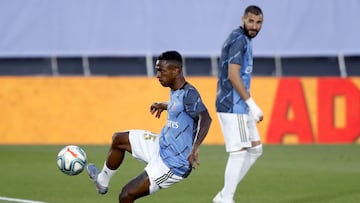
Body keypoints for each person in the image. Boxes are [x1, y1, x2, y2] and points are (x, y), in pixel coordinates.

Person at [87, 50, 212, 203]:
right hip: (161, 145)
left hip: (173, 163)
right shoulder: (177, 90)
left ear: (176, 71)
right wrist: (164, 105)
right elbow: (181, 107)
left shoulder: (190, 94)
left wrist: (195, 148)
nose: (157, 75)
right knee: (119, 139)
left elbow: (205, 118)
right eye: (157, 70)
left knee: (126, 195)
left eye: (161, 70)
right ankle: (102, 181)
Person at [213, 5, 264, 203]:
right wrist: (251, 104)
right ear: (243, 19)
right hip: (232, 106)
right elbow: (233, 76)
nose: (254, 26)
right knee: (239, 153)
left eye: (259, 22)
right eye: (251, 21)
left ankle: (224, 195)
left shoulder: (245, 40)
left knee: (255, 149)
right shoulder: (239, 40)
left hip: (238, 105)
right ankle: (227, 198)